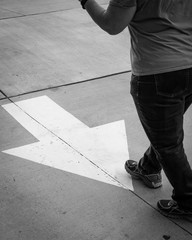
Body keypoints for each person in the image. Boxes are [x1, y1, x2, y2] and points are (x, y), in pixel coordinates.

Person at [78, 0, 192, 219]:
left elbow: (112, 24)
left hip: (157, 72)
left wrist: (86, 2)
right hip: (189, 65)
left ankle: (188, 201)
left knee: (168, 144)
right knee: (165, 132)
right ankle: (149, 168)